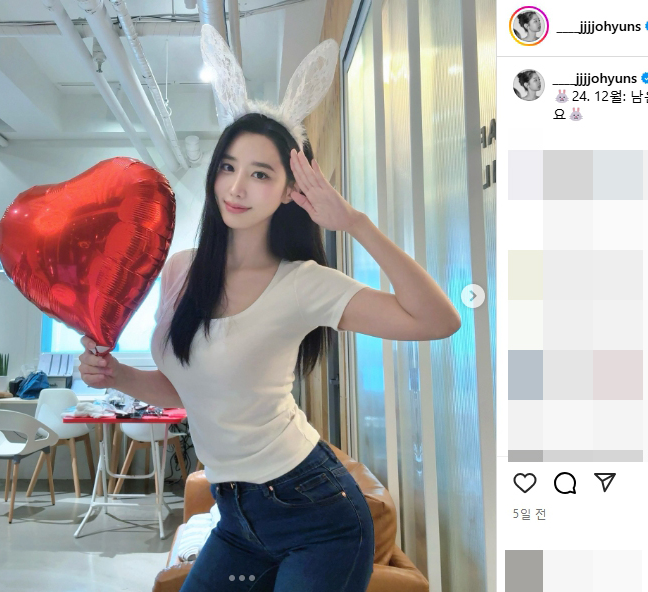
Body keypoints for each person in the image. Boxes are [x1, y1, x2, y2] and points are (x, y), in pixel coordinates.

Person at [78, 28, 461, 592]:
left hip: (318, 516)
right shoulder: (181, 270)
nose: (237, 187)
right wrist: (118, 376)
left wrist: (355, 223)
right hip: (237, 517)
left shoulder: (302, 284)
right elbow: (188, 390)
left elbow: (439, 320)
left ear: (288, 190)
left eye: (260, 174)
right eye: (228, 166)